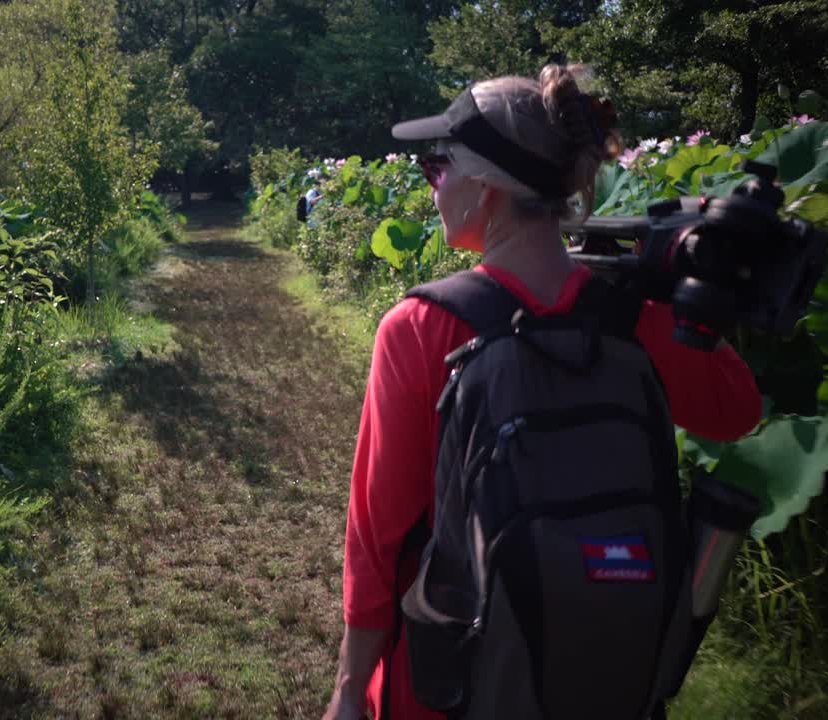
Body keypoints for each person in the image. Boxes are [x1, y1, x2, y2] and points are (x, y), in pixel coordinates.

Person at [322, 65, 762, 720]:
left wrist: (350, 690)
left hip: (449, 685)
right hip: (605, 681)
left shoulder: (419, 329)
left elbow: (377, 542)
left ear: (485, 185)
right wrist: (668, 285)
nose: (433, 186)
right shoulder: (630, 319)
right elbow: (738, 409)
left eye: (438, 168)